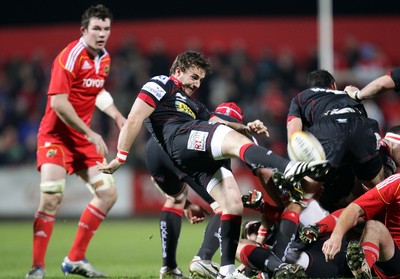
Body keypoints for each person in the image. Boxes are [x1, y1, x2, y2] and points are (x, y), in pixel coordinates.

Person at [98, 50, 329, 279]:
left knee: (232, 202)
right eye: (193, 77)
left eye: (200, 80)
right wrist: (121, 156)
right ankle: (289, 167)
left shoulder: (192, 104)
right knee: (226, 136)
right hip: (178, 137)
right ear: (178, 71)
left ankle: (226, 272)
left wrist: (246, 128)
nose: (197, 84)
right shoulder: (162, 83)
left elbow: (214, 119)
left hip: (184, 154)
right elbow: (135, 118)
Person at [25, 5, 126, 279]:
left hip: (81, 141)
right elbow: (58, 103)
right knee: (51, 197)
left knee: (108, 194)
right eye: (96, 28)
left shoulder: (104, 58)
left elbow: (96, 89)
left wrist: (116, 114)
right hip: (56, 137)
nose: (102, 34)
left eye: (106, 29)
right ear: (84, 30)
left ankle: (75, 259)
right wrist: (92, 133)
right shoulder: (70, 56)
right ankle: (37, 268)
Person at [147, 102, 245, 279]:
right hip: (183, 149)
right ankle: (203, 258)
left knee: (175, 198)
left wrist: (187, 205)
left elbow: (155, 179)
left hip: (153, 148)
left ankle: (169, 268)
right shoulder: (221, 136)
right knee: (226, 206)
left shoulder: (200, 118)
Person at [286, 69, 385, 209]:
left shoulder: (301, 97)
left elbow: (294, 134)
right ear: (333, 85)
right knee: (379, 190)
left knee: (303, 195)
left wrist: (306, 173)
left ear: (311, 88)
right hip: (360, 126)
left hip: (328, 128)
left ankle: (290, 227)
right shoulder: (349, 94)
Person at [322, 173, 400, 279]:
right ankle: (362, 272)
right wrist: (336, 237)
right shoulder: (396, 183)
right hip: (394, 259)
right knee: (374, 227)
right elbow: (356, 208)